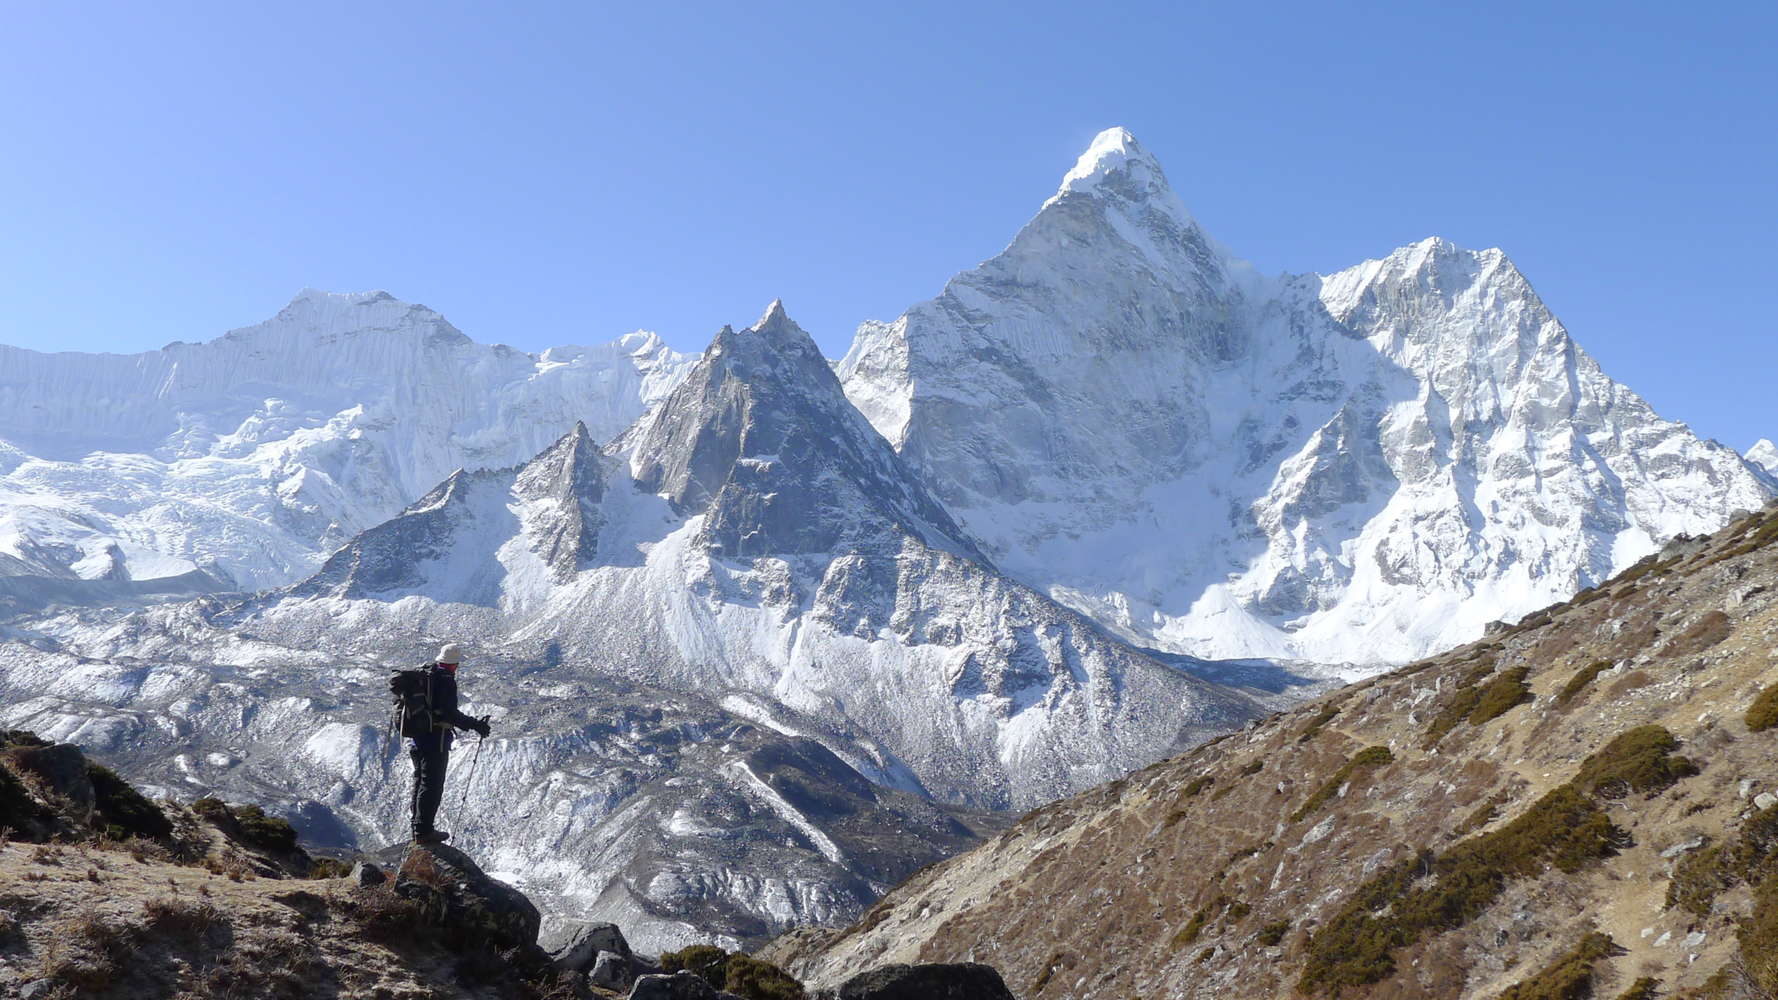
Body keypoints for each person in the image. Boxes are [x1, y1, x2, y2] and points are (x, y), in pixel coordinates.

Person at [404, 642, 492, 843]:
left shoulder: (428, 675)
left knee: (420, 781)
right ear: (454, 664)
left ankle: (417, 827)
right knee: (432, 784)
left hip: (417, 738)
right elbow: (448, 713)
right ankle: (424, 831)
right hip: (435, 739)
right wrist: (475, 725)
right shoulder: (445, 681)